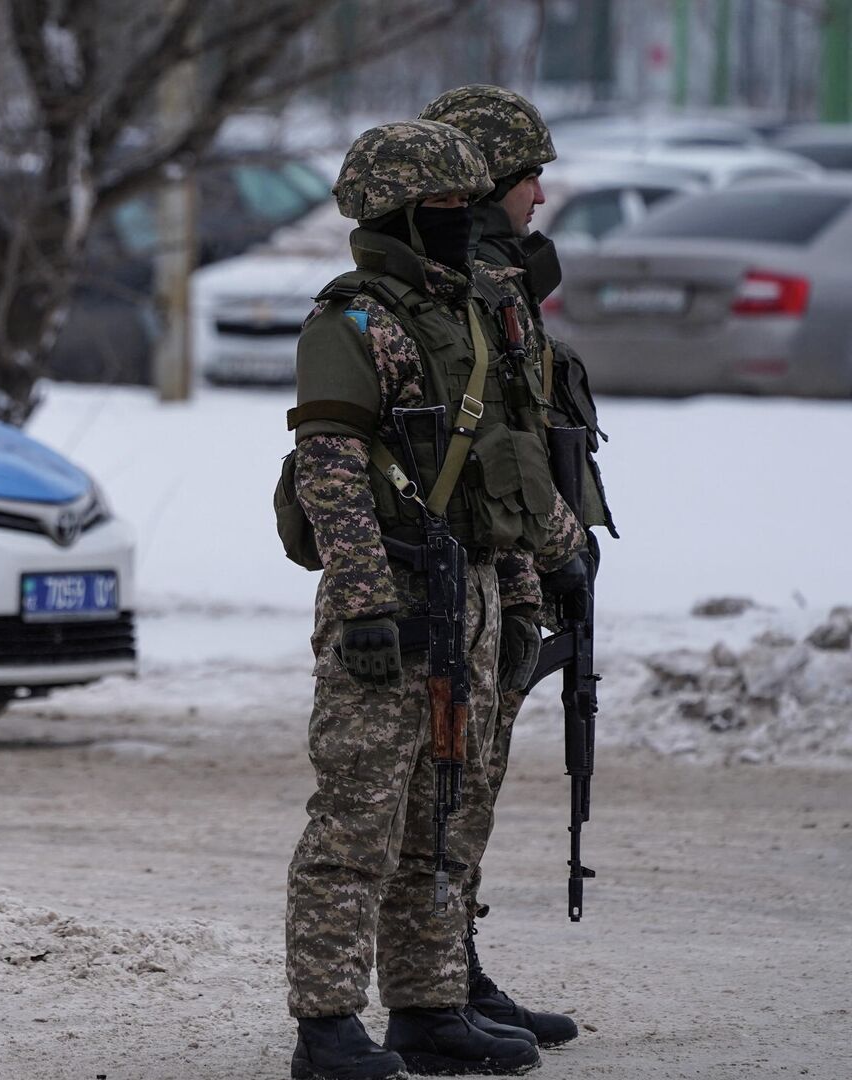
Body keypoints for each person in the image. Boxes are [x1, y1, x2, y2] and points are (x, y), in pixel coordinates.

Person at [278, 119, 587, 1079]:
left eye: (468, 204)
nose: (465, 223)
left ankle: (428, 1003)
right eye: (446, 209)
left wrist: (528, 591)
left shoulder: (463, 314)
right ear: (401, 216)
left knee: (448, 817)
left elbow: (507, 482)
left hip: (479, 592)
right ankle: (327, 1027)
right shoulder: (355, 321)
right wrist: (368, 605)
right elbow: (330, 468)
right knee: (359, 820)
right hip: (399, 599)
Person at [419, 82, 616, 1052]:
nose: (543, 194)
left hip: (507, 559)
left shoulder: (499, 282)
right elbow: (503, 440)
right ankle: (431, 989)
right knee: (443, 789)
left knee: (474, 785)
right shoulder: (456, 292)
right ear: (491, 177)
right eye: (530, 173)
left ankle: (456, 971)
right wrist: (557, 544)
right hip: (461, 560)